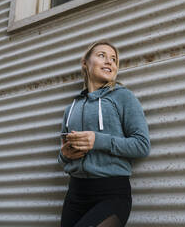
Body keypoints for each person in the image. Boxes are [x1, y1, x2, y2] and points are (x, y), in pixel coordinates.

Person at [58, 40, 151, 227]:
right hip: (75, 194)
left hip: (111, 193)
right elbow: (63, 153)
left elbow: (142, 145)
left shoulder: (123, 97)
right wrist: (64, 156)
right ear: (85, 62)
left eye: (114, 59)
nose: (109, 61)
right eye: (102, 55)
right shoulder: (71, 108)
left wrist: (97, 141)